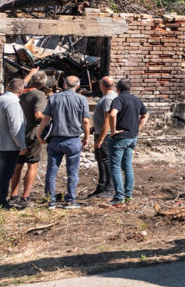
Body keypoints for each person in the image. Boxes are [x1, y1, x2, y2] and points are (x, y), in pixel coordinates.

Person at [36, 75, 91, 209]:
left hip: (55, 139)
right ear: (78, 86)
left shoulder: (54, 98)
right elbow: (85, 121)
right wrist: (86, 138)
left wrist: (39, 134)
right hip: (73, 139)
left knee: (52, 171)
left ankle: (51, 200)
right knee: (72, 172)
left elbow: (46, 118)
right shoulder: (82, 99)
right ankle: (70, 200)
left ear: (64, 85)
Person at [102, 78, 148, 207]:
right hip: (132, 137)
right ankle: (128, 195)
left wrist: (113, 130)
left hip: (120, 138)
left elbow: (112, 114)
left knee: (115, 167)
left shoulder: (118, 99)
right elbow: (145, 115)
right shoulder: (136, 100)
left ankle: (118, 198)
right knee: (127, 166)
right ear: (130, 88)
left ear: (118, 88)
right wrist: (138, 128)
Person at [7, 69, 48, 209]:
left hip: (19, 133)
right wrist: (49, 118)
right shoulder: (40, 95)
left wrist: (31, 73)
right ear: (43, 83)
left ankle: (13, 195)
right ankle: (25, 196)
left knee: (17, 166)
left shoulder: (20, 92)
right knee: (32, 164)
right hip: (33, 134)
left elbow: (23, 83)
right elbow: (38, 114)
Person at [0, 78, 28, 209]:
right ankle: (0, 202)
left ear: (7, 86)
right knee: (5, 174)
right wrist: (21, 145)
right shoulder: (13, 103)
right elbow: (16, 127)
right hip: (9, 144)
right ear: (21, 90)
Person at [89, 76, 117, 198]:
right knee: (101, 160)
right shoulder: (108, 97)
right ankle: (102, 186)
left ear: (101, 85)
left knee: (106, 161)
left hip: (105, 135)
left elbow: (107, 119)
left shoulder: (108, 99)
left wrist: (100, 138)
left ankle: (109, 188)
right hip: (101, 132)